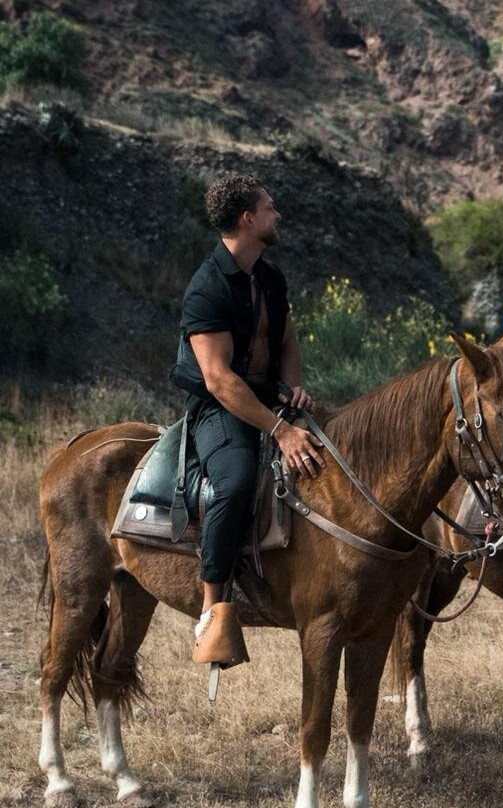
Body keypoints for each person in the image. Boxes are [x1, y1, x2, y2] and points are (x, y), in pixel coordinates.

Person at [171, 172, 324, 662]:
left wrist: (294, 386)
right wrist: (280, 430)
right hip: (222, 407)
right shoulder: (206, 288)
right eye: (270, 207)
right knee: (235, 483)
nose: (277, 214)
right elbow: (218, 379)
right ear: (247, 218)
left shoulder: (270, 276)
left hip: (269, 396)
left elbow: (287, 339)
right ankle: (214, 610)